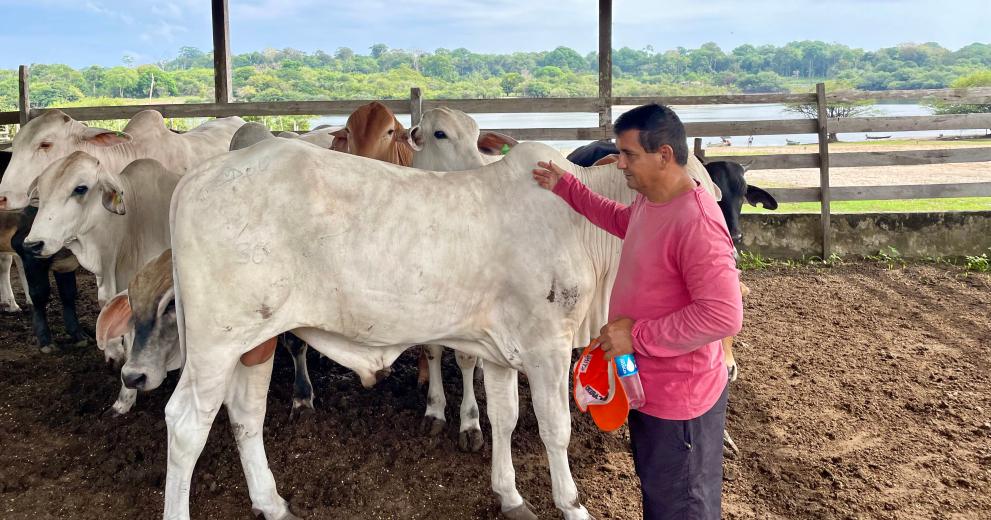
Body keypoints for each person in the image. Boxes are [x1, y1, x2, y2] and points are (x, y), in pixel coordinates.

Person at [532, 103, 743, 520]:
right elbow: (620, 220)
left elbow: (723, 315)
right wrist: (568, 187)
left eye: (629, 155)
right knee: (662, 497)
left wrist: (637, 336)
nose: (619, 164)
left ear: (664, 155)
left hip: (682, 404)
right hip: (650, 389)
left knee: (682, 505)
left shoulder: (697, 222)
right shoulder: (652, 203)